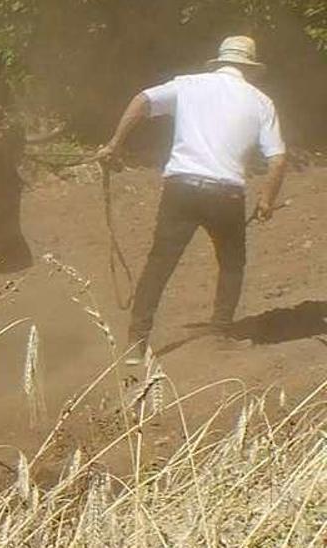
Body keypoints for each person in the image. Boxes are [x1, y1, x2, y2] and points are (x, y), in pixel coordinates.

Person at [95, 35, 287, 365]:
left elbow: (142, 100)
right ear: (250, 69)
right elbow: (278, 158)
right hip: (226, 194)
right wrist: (267, 199)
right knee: (231, 263)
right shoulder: (261, 102)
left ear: (219, 61)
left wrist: (114, 144)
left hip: (181, 187)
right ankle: (219, 333)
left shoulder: (188, 85)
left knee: (160, 263)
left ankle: (136, 343)